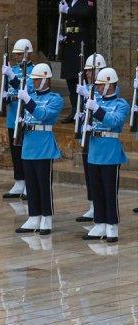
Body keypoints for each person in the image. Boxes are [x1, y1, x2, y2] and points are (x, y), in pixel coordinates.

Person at [12, 63, 63, 235]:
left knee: (43, 184)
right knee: (31, 184)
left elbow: (42, 115)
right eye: (33, 79)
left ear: (46, 80)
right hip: (28, 144)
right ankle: (34, 216)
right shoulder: (31, 96)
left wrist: (28, 100)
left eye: (38, 79)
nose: (34, 82)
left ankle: (46, 217)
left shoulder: (55, 99)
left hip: (43, 144)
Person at [82, 68, 129, 243]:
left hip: (110, 152)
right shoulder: (94, 102)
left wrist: (97, 110)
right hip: (94, 151)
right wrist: (85, 127)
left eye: (101, 85)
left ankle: (112, 225)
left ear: (110, 84)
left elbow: (115, 122)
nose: (99, 88)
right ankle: (100, 222)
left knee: (109, 191)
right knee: (97, 190)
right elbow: (87, 122)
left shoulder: (121, 104)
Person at [73, 54, 107, 222]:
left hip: (100, 140)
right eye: (86, 71)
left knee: (100, 176)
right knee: (89, 173)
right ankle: (93, 204)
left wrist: (87, 94)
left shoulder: (106, 88)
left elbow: (103, 105)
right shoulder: (87, 86)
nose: (87, 74)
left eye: (91, 70)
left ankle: (102, 208)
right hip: (87, 136)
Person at [59, 0, 96, 123]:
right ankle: (75, 111)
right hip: (69, 48)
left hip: (81, 48)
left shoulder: (88, 3)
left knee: (83, 81)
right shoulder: (67, 3)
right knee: (71, 81)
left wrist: (68, 11)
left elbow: (85, 13)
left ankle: (85, 110)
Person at [0, 38, 35, 199]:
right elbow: (6, 90)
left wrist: (12, 77)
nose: (18, 57)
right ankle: (19, 181)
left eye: (21, 54)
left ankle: (29, 183)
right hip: (13, 115)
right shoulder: (12, 69)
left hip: (25, 116)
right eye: (16, 54)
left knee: (25, 150)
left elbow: (28, 89)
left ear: (28, 54)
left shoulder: (35, 71)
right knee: (15, 150)